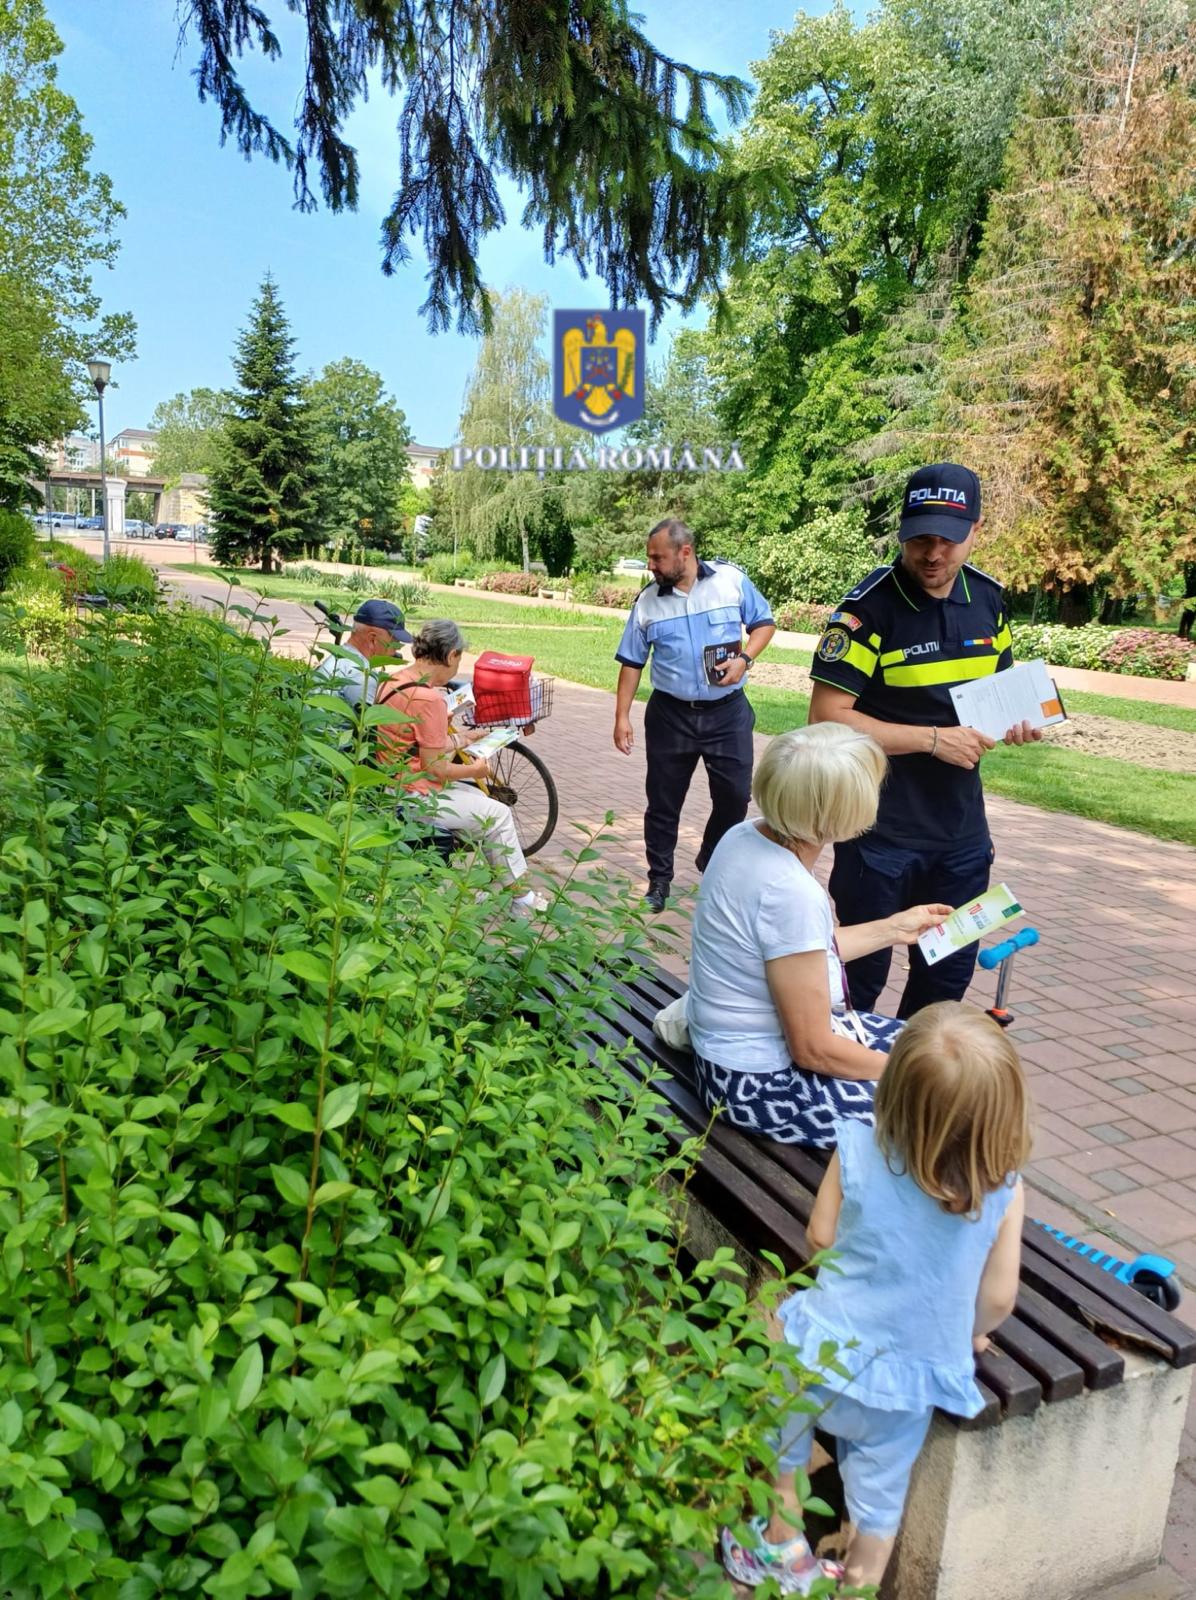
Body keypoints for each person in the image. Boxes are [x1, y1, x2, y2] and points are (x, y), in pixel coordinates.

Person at [721, 1003, 1029, 1596]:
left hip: (819, 1355)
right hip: (906, 1381)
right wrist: (967, 1330)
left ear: (895, 1090)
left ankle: (781, 1543)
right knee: (879, 1505)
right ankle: (859, 1585)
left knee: (784, 1437)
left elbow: (819, 1238)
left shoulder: (859, 1145)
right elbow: (998, 1298)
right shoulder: (1003, 1191)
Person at [809, 463, 1041, 1018]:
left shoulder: (989, 599)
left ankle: (911, 1072)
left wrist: (1017, 720)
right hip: (878, 833)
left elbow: (997, 691)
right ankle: (845, 1071)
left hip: (961, 837)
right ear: (903, 531)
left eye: (948, 540)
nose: (933, 554)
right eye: (920, 539)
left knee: (946, 980)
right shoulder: (867, 609)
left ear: (976, 530)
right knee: (858, 980)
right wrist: (933, 740)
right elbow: (825, 718)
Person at [687, 724, 950, 1148]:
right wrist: (906, 1075)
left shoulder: (743, 836)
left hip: (725, 1055)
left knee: (942, 1051)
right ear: (840, 811)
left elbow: (797, 955)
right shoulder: (790, 891)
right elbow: (812, 1049)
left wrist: (895, 927)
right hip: (753, 1083)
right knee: (947, 1104)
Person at [613, 518, 776, 913]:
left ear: (684, 552)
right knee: (663, 802)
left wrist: (745, 659)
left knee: (735, 797)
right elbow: (632, 662)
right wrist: (621, 717)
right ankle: (659, 882)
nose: (651, 565)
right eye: (650, 557)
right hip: (670, 716)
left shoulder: (730, 581)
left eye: (657, 557)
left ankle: (710, 856)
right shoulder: (648, 602)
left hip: (728, 714)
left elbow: (764, 624)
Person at [375, 619, 548, 913]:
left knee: (480, 799)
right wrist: (475, 771)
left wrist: (462, 739)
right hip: (412, 796)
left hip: (389, 784)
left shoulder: (393, 682)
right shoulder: (429, 699)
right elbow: (436, 769)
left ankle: (459, 888)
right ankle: (521, 901)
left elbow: (413, 744)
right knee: (498, 814)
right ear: (451, 654)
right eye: (459, 659)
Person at [312, 598, 413, 709]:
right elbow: (367, 719)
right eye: (394, 642)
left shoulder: (339, 658)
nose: (397, 649)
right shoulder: (362, 676)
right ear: (372, 639)